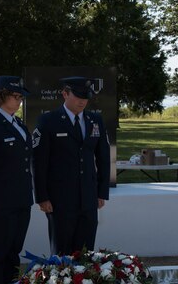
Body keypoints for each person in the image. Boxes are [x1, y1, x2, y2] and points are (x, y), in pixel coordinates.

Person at [32, 76, 110, 256]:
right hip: (60, 199)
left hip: (88, 197)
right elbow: (39, 161)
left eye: (86, 96)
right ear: (65, 94)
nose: (83, 100)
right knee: (62, 254)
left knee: (85, 253)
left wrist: (101, 192)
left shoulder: (95, 120)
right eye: (78, 96)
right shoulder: (48, 121)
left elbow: (103, 158)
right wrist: (42, 196)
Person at [0, 76, 33, 284]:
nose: (19, 100)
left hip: (21, 201)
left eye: (21, 96)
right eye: (15, 96)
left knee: (13, 254)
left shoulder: (19, 124)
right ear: (1, 96)